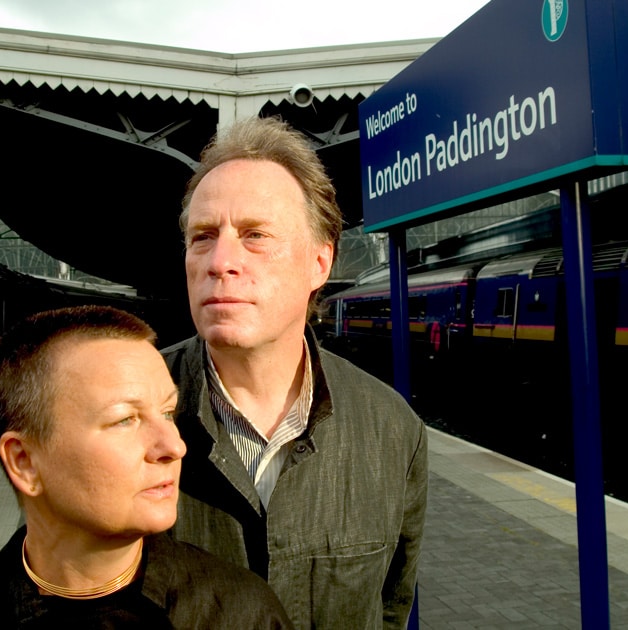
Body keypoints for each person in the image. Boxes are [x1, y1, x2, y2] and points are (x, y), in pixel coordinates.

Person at [163, 116, 429, 629]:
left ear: (319, 263)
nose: (221, 260)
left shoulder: (392, 429)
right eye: (202, 237)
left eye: (256, 235)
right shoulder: (116, 413)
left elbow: (391, 607)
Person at [0, 305, 292, 629]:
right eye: (124, 419)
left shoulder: (242, 612)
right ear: (23, 461)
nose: (174, 446)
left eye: (167, 412)